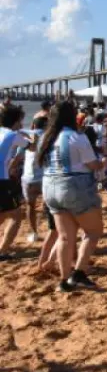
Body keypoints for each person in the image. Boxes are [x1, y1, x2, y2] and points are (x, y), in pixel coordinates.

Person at [39, 101, 107, 291]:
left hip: (50, 187)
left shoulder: (46, 138)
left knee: (64, 237)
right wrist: (104, 161)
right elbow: (92, 165)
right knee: (93, 232)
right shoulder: (76, 137)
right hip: (74, 185)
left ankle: (64, 280)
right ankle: (79, 273)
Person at [0, 106, 32, 260]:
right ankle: (2, 251)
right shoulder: (14, 135)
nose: (21, 123)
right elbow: (33, 147)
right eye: (20, 120)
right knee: (15, 216)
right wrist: (27, 135)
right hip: (2, 180)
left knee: (2, 214)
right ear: (16, 121)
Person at [22, 116, 47, 244]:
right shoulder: (50, 136)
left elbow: (19, 153)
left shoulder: (26, 134)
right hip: (45, 176)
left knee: (30, 206)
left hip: (29, 176)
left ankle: (34, 232)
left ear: (33, 125)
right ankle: (51, 230)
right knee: (50, 206)